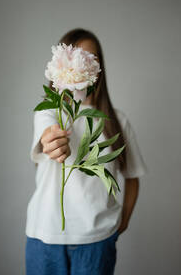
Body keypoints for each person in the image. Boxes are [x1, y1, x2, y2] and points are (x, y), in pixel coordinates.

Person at [25, 28, 148, 275]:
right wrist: (53, 143)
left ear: (99, 67)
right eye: (75, 57)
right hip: (43, 235)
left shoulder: (117, 120)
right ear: (60, 64)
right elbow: (48, 136)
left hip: (97, 239)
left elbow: (133, 176)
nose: (82, 64)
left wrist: (123, 222)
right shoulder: (48, 111)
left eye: (91, 58)